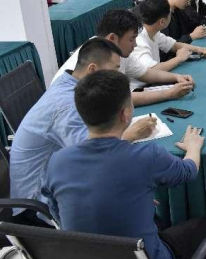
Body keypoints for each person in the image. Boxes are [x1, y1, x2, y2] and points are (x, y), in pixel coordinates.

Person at [43, 70, 206, 259]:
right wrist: (193, 147)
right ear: (126, 114)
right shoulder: (147, 156)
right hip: (145, 254)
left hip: (85, 253)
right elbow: (188, 171)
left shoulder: (57, 161)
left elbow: (57, 211)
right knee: (202, 227)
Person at [10, 39, 156, 227]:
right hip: (38, 204)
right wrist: (133, 133)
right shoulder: (66, 105)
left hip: (61, 176)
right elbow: (92, 154)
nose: (118, 75)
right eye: (114, 69)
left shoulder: (71, 82)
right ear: (92, 69)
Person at [52, 9, 195, 106]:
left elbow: (147, 74)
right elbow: (120, 99)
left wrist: (176, 77)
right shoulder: (97, 59)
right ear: (112, 38)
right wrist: (169, 93)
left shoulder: (116, 52)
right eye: (132, 39)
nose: (135, 44)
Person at [130, 0, 206, 89]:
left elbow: (174, 45)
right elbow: (152, 70)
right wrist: (179, 58)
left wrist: (198, 49)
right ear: (162, 22)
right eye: (170, 14)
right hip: (140, 88)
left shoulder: (153, 31)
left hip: (152, 82)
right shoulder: (139, 40)